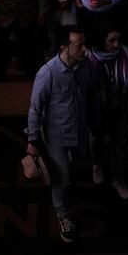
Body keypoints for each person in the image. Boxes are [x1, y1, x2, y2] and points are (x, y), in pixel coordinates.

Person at [26, 29, 92, 243]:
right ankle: (62, 214)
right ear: (64, 48)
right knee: (61, 176)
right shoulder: (48, 73)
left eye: (84, 44)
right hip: (57, 136)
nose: (84, 49)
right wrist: (33, 139)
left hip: (79, 132)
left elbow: (89, 96)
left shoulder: (84, 67)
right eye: (79, 45)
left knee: (73, 167)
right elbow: (35, 109)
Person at [86, 25, 128, 200]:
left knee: (120, 143)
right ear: (102, 40)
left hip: (120, 105)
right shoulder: (89, 57)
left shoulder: (125, 54)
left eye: (118, 39)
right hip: (97, 107)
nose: (116, 44)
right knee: (96, 137)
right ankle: (97, 165)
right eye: (111, 40)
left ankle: (117, 179)